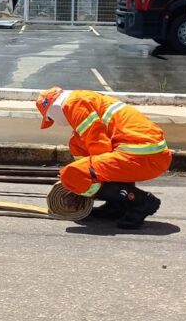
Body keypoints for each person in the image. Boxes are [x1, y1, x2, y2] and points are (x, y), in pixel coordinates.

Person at [35, 87, 171, 229]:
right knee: (77, 144)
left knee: (71, 175)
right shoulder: (83, 98)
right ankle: (117, 204)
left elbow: (99, 145)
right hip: (148, 155)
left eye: (50, 118)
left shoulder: (74, 105)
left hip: (143, 157)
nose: (54, 122)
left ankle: (139, 200)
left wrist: (81, 183)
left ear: (53, 109)